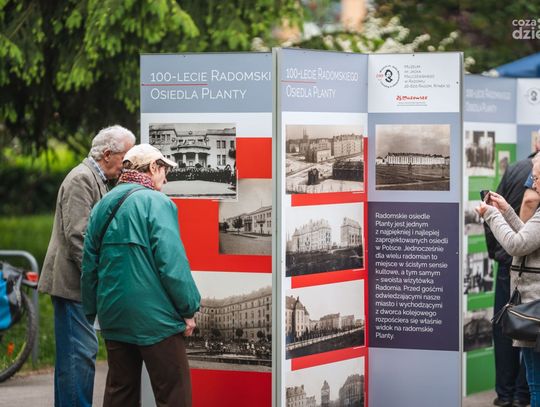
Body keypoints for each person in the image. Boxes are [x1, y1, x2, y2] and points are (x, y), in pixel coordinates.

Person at [81, 143, 201, 407]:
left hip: (114, 314)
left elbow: (89, 264)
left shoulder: (103, 204)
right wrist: (188, 307)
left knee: (120, 392)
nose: (165, 179)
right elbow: (171, 263)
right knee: (174, 393)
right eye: (164, 170)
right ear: (153, 167)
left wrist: (91, 310)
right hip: (156, 319)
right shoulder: (157, 202)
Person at [38, 125, 135, 407]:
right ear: (107, 154)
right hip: (73, 286)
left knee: (77, 357)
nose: (126, 165)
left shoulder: (96, 179)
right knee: (78, 358)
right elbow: (78, 237)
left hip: (78, 285)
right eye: (125, 158)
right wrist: (99, 281)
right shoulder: (81, 179)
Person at [476, 159, 540, 407]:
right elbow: (529, 237)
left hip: (534, 305)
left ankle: (507, 395)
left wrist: (491, 214)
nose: (533, 184)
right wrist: (507, 212)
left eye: (536, 178)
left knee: (535, 384)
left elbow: (516, 244)